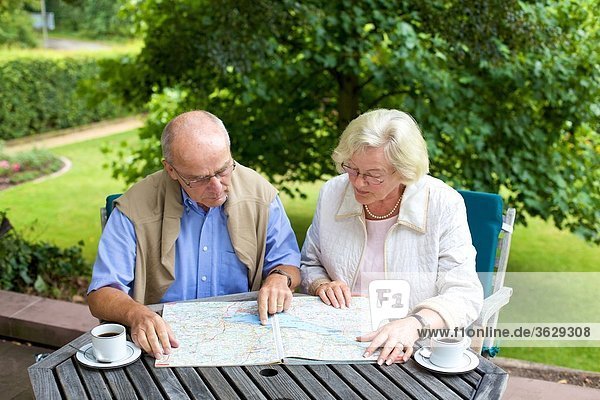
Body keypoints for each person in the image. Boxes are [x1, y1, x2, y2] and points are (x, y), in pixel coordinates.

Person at [88, 110, 301, 359]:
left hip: (244, 340)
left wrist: (279, 279)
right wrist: (137, 314)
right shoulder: (135, 207)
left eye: (223, 170)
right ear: (171, 170)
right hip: (163, 342)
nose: (216, 187)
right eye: (198, 179)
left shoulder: (260, 195)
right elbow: (101, 293)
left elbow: (289, 265)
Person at [300, 109, 483, 366]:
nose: (358, 183)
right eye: (351, 168)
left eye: (373, 175)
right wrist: (320, 284)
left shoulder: (444, 203)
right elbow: (310, 262)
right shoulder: (333, 192)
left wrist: (414, 324)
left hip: (413, 351)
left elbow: (464, 294)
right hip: (338, 342)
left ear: (404, 171)